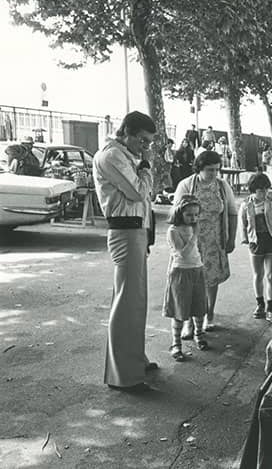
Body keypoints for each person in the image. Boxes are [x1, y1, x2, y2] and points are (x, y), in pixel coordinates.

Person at [93, 111, 157, 393]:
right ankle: (124, 375)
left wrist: (144, 170)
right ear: (126, 132)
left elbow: (143, 193)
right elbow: (137, 192)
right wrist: (146, 170)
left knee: (136, 302)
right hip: (125, 230)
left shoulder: (127, 156)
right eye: (142, 140)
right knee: (126, 304)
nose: (145, 147)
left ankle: (134, 360)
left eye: (149, 143)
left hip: (137, 231)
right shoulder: (112, 156)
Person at [174, 151, 238, 334]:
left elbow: (232, 213)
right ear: (199, 169)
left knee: (211, 280)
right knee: (190, 281)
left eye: (217, 170)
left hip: (215, 240)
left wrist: (231, 238)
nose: (214, 174)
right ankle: (188, 321)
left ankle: (208, 315)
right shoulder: (186, 185)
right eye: (210, 170)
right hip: (191, 241)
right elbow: (175, 217)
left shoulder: (222, 186)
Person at [163, 195, 209, 362]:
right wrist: (194, 236)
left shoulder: (192, 228)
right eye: (189, 215)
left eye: (196, 215)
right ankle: (176, 343)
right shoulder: (174, 231)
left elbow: (196, 251)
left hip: (196, 269)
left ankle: (199, 334)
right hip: (181, 271)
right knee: (180, 310)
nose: (194, 218)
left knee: (199, 305)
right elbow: (182, 252)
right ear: (180, 212)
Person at [240, 173, 272, 324]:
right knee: (258, 275)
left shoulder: (271, 203)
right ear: (253, 190)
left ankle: (271, 307)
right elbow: (243, 224)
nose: (265, 193)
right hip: (255, 241)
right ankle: (260, 304)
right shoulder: (246, 205)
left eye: (266, 189)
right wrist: (245, 239)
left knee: (271, 275)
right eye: (261, 190)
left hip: (271, 240)